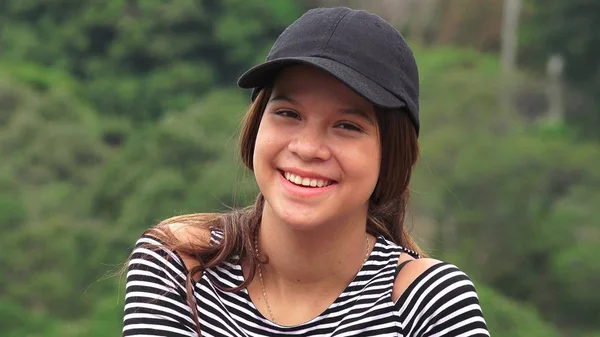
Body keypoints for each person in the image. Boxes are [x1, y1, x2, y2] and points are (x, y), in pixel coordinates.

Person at [122, 6, 489, 337]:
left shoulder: (427, 303)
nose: (307, 148)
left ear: (391, 155)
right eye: (288, 114)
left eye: (346, 125)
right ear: (256, 127)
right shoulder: (179, 265)